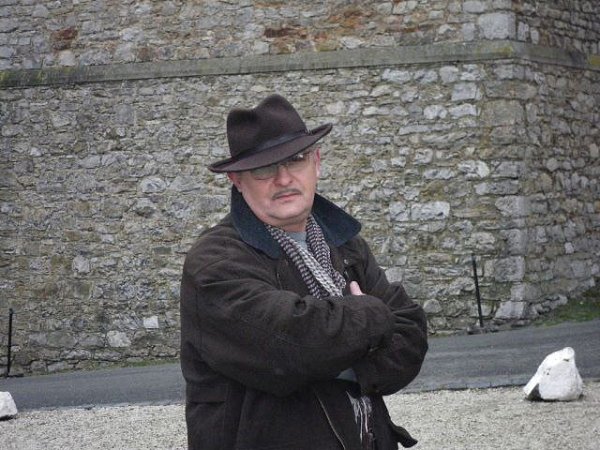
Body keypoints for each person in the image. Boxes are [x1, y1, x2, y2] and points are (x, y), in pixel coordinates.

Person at [180, 94, 428, 450]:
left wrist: (341, 357)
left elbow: (410, 335)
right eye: (263, 168)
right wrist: (370, 314)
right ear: (237, 180)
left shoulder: (345, 244)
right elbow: (293, 347)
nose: (283, 179)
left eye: (295, 160)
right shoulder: (215, 262)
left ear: (316, 163)